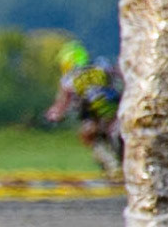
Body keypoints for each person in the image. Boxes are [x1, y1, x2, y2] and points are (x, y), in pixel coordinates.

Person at [45, 41, 123, 176]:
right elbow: (122, 75)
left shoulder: (69, 79)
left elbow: (62, 105)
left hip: (92, 113)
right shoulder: (102, 65)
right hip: (116, 107)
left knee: (89, 136)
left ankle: (112, 164)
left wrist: (52, 116)